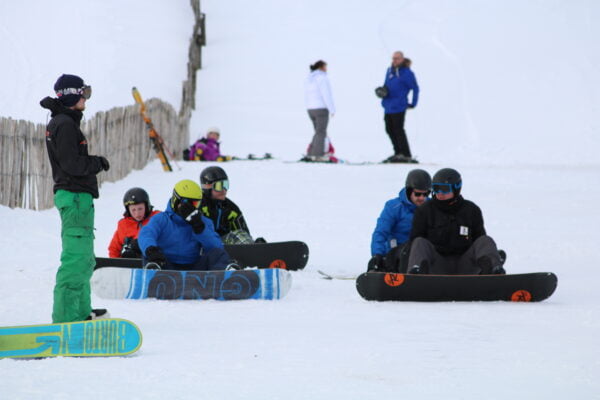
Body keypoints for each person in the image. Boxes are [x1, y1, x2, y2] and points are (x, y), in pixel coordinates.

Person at [40, 74, 111, 322]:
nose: (85, 98)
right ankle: (66, 319)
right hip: (74, 197)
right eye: (84, 93)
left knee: (85, 260)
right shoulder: (65, 124)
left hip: (77, 198)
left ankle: (80, 312)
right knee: (76, 259)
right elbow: (71, 163)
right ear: (72, 94)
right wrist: (97, 163)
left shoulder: (63, 122)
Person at [407, 168, 506, 275]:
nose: (440, 193)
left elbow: (480, 241)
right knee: (419, 242)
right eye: (436, 188)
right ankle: (416, 277)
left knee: (485, 240)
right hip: (437, 266)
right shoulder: (424, 211)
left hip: (465, 265)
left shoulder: (471, 210)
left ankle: (494, 274)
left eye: (444, 189)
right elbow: (416, 242)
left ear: (456, 188)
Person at [138, 179, 234, 270]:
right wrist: (151, 249)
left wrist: (200, 228)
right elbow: (146, 234)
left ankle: (228, 275)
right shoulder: (161, 219)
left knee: (216, 253)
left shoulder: (203, 222)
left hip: (194, 268)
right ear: (176, 201)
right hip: (165, 266)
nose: (191, 208)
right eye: (189, 203)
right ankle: (153, 272)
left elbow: (216, 246)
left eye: (196, 204)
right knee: (147, 253)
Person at [368, 169, 431, 273]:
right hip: (398, 254)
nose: (422, 198)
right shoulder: (394, 207)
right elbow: (381, 232)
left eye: (426, 194)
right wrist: (377, 255)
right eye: (418, 194)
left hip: (422, 253)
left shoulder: (430, 207)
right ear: (409, 190)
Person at [199, 166, 262, 244]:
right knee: (234, 237)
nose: (224, 189)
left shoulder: (231, 209)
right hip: (201, 246)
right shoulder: (198, 205)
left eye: (226, 184)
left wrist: (253, 244)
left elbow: (243, 233)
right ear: (207, 187)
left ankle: (257, 252)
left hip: (224, 249)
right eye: (219, 186)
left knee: (239, 236)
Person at [376, 51, 419, 163]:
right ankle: (398, 152)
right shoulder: (389, 71)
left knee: (398, 130)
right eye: (393, 58)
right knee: (389, 129)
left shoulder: (407, 73)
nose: (394, 60)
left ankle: (406, 154)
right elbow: (386, 84)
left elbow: (415, 88)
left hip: (399, 105)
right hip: (388, 105)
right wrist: (382, 91)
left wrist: (413, 103)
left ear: (402, 59)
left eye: (397, 58)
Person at [108, 187, 160, 258]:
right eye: (133, 210)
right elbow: (114, 249)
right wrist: (116, 265)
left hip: (155, 257)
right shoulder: (124, 225)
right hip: (134, 263)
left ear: (147, 206)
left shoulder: (157, 218)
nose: (137, 214)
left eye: (140, 209)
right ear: (128, 210)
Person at [304, 60, 336, 162]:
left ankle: (311, 152)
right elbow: (326, 95)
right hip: (321, 109)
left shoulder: (310, 79)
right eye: (325, 67)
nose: (326, 69)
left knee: (318, 132)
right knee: (321, 132)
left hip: (310, 109)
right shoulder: (322, 78)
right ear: (321, 67)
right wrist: (332, 109)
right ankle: (318, 154)